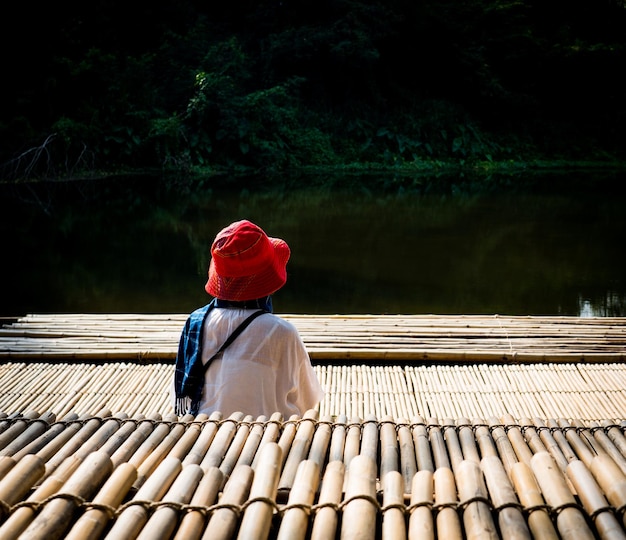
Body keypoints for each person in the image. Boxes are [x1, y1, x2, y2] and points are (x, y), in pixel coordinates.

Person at [172, 219, 324, 418]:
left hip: (203, 437)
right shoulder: (281, 333)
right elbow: (308, 403)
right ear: (265, 279)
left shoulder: (195, 323)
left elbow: (180, 395)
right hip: (265, 440)